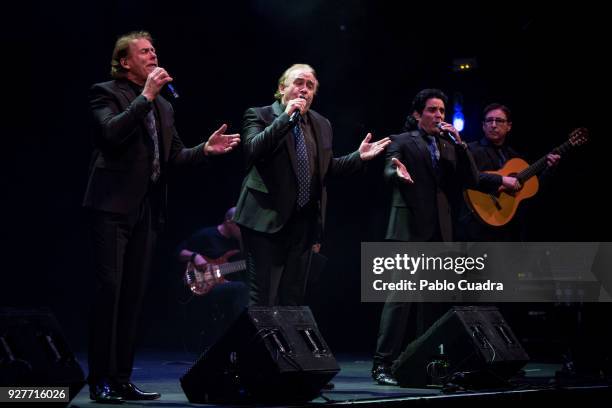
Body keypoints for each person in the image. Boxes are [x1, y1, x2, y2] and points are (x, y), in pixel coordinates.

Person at [83, 31, 240, 403]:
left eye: (154, 50)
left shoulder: (164, 108)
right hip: (110, 208)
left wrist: (205, 149)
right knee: (110, 293)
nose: (153, 55)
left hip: (147, 213)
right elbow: (110, 134)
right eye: (144, 51)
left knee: (134, 297)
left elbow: (173, 157)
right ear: (125, 62)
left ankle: (121, 379)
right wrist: (146, 96)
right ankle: (100, 380)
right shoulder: (106, 93)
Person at [233, 63, 391, 307]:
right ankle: (257, 346)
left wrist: (357, 157)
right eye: (298, 83)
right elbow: (253, 149)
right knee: (263, 297)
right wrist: (286, 117)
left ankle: (287, 347)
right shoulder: (260, 115)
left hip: (303, 224)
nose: (304, 89)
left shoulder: (321, 123)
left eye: (310, 86)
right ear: (281, 88)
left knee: (292, 299)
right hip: (264, 220)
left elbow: (325, 170)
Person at [371, 89, 479, 385]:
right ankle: (383, 363)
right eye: (432, 110)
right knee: (400, 298)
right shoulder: (402, 140)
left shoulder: (448, 145)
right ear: (418, 114)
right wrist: (397, 172)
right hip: (408, 229)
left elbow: (474, 180)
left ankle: (421, 360)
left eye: (442, 111)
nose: (439, 116)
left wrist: (462, 146)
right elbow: (389, 167)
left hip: (438, 232)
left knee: (432, 301)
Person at [457, 103, 561, 241]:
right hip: (477, 227)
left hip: (510, 230)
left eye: (499, 121)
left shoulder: (516, 158)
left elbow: (532, 191)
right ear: (483, 125)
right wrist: (502, 181)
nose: (493, 125)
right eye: (489, 120)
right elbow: (469, 177)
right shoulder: (470, 150)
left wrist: (549, 169)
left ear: (509, 126)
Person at [176, 207, 249, 351]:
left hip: (222, 285)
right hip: (201, 285)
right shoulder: (206, 235)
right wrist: (195, 256)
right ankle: (241, 337)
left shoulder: (237, 243)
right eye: (241, 224)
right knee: (240, 288)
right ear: (229, 221)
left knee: (243, 287)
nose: (243, 228)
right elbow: (179, 252)